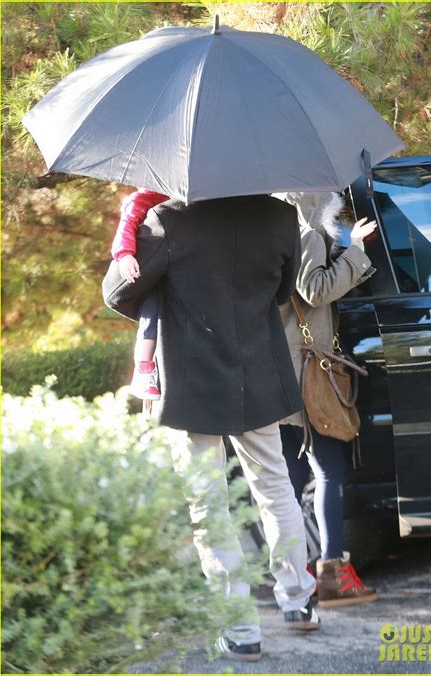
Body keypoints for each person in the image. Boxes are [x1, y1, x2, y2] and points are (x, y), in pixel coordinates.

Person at [103, 195, 319, 661]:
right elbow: (282, 293)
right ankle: (298, 601)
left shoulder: (166, 220)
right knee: (275, 485)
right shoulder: (280, 215)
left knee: (208, 501)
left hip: (190, 380)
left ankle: (241, 628)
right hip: (260, 372)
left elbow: (117, 292)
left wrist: (131, 230)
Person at [275, 191, 379, 608]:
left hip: (284, 369)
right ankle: (332, 572)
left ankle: (292, 577)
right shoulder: (308, 233)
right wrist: (353, 250)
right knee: (329, 470)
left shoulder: (281, 230)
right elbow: (314, 291)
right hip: (308, 372)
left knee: (292, 477)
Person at [111, 188, 168, 400]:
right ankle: (143, 370)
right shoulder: (142, 199)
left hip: (174, 271)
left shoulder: (183, 199)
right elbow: (126, 227)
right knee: (151, 316)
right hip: (150, 273)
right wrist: (125, 255)